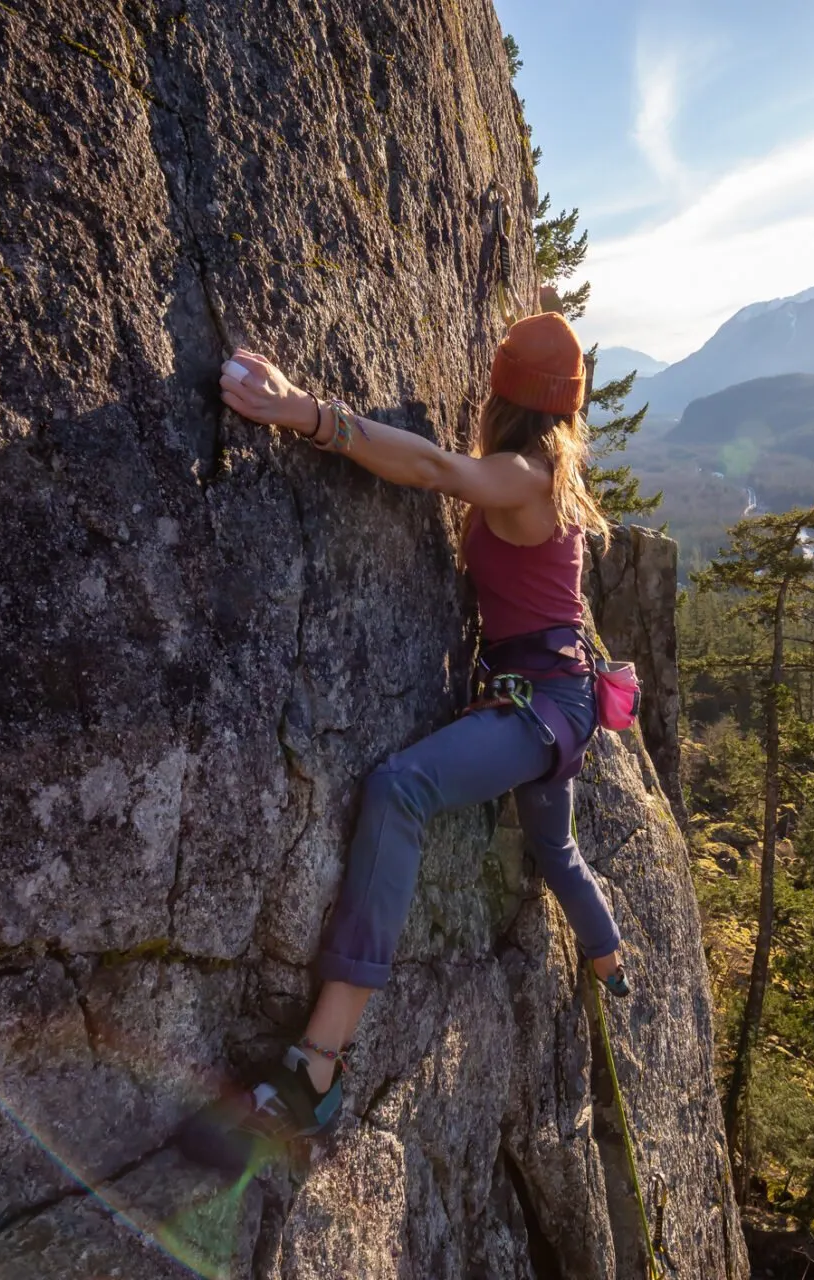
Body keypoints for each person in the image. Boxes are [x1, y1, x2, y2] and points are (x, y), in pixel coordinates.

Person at [215, 313, 628, 1143]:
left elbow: (436, 468)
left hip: (540, 708)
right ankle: (613, 962)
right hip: (562, 698)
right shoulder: (559, 476)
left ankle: (316, 1070)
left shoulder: (521, 475)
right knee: (556, 850)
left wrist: (308, 413)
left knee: (400, 790)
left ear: (502, 397)